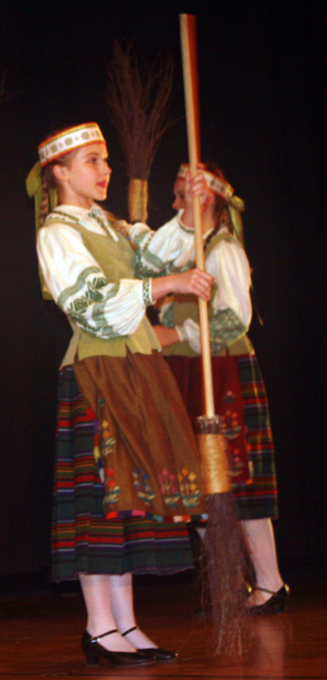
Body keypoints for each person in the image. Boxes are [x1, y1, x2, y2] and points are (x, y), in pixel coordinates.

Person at [28, 123, 214, 666]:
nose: (104, 170)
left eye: (105, 159)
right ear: (60, 173)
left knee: (129, 496)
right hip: (97, 371)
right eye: (91, 161)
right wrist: (164, 288)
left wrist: (191, 211)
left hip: (135, 366)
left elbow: (158, 255)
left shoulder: (111, 226)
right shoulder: (56, 233)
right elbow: (90, 302)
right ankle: (98, 626)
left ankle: (126, 624)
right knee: (101, 500)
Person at [153, 163, 287, 615]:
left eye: (179, 196)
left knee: (240, 481)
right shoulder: (185, 252)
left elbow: (235, 319)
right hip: (192, 373)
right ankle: (227, 584)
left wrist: (176, 330)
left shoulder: (224, 250)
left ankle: (270, 585)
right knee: (201, 485)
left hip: (225, 369)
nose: (174, 205)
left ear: (203, 198)